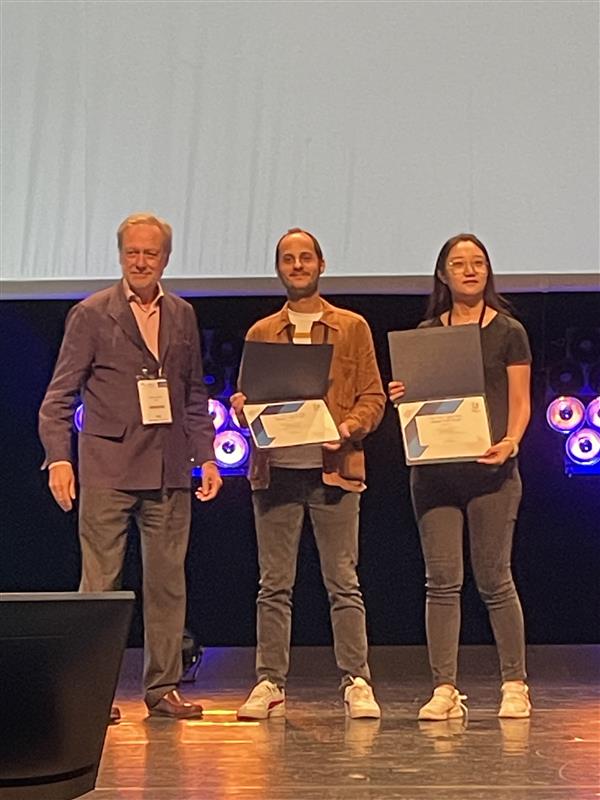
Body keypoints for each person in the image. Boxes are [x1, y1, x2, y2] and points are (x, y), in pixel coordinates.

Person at [39, 212, 222, 719]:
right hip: (108, 469)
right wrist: (59, 459)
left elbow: (192, 394)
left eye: (150, 253)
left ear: (166, 258)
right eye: (132, 253)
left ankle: (162, 688)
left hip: (168, 469)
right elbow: (58, 398)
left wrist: (206, 456)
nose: (141, 262)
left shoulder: (181, 314)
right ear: (121, 256)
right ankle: (90, 692)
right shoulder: (91, 313)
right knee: (100, 586)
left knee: (167, 584)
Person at [231, 228, 386, 720]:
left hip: (334, 472)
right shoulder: (261, 332)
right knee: (273, 585)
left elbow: (374, 397)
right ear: (278, 268)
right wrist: (241, 409)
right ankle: (269, 683)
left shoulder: (352, 327)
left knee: (343, 582)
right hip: (275, 473)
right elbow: (248, 403)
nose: (297, 265)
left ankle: (357, 681)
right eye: (287, 259)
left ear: (321, 264)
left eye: (305, 257)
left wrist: (348, 428)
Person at [388, 233, 532, 721]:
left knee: (495, 579)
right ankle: (444, 689)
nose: (470, 271)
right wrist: (403, 395)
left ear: (487, 271)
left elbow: (520, 400)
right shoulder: (427, 333)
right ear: (443, 275)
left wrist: (511, 441)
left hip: (492, 472)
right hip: (435, 475)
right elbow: (422, 405)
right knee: (442, 583)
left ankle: (514, 684)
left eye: (478, 263)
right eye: (459, 263)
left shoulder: (509, 331)